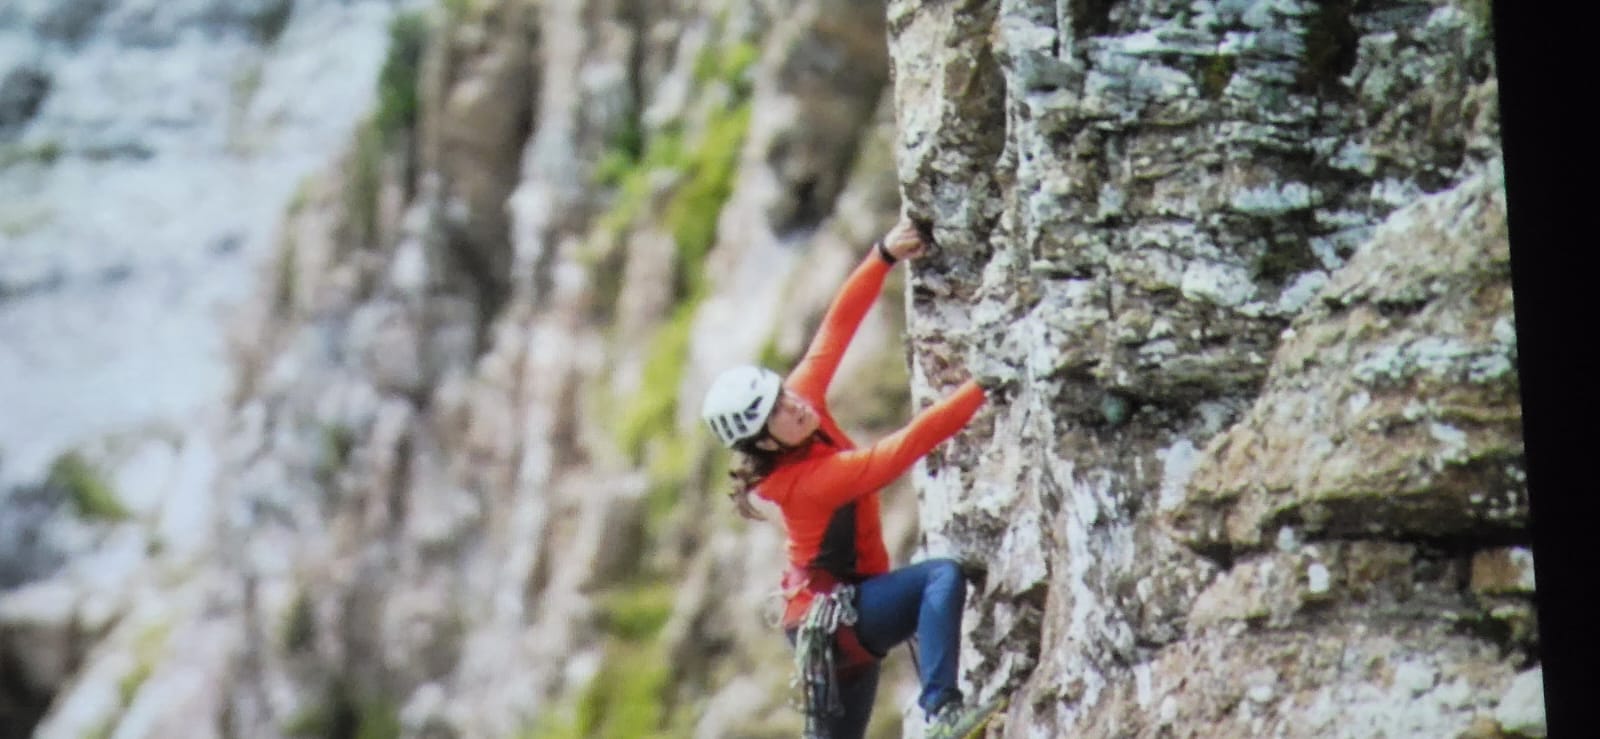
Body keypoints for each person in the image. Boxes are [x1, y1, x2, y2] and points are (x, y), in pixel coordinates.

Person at [700, 217, 1003, 739]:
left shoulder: (801, 405)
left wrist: (882, 255)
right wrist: (986, 382)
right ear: (766, 443)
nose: (793, 405)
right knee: (940, 576)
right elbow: (901, 449)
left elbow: (835, 329)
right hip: (839, 625)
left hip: (836, 621)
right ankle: (941, 711)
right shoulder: (808, 483)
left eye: (784, 395)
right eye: (777, 413)